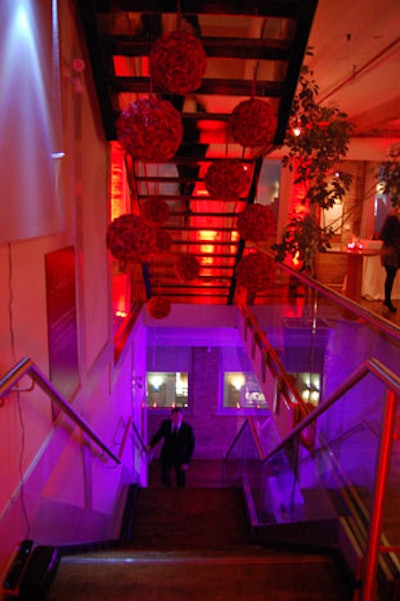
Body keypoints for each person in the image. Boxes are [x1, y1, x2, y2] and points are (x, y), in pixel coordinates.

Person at [146, 407, 195, 488]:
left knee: (181, 479)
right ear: (171, 416)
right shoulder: (165, 425)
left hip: (180, 456)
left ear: (182, 417)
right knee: (164, 476)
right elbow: (158, 436)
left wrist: (186, 462)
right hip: (167, 454)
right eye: (175, 416)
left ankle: (179, 496)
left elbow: (191, 446)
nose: (177, 418)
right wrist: (150, 445)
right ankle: (168, 490)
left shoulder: (187, 429)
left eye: (179, 416)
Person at [380, 205, 400, 313]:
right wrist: (391, 246)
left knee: (391, 276)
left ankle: (387, 300)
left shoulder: (393, 218)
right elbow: (385, 235)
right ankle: (387, 300)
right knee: (390, 275)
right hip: (391, 250)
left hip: (394, 250)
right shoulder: (393, 219)